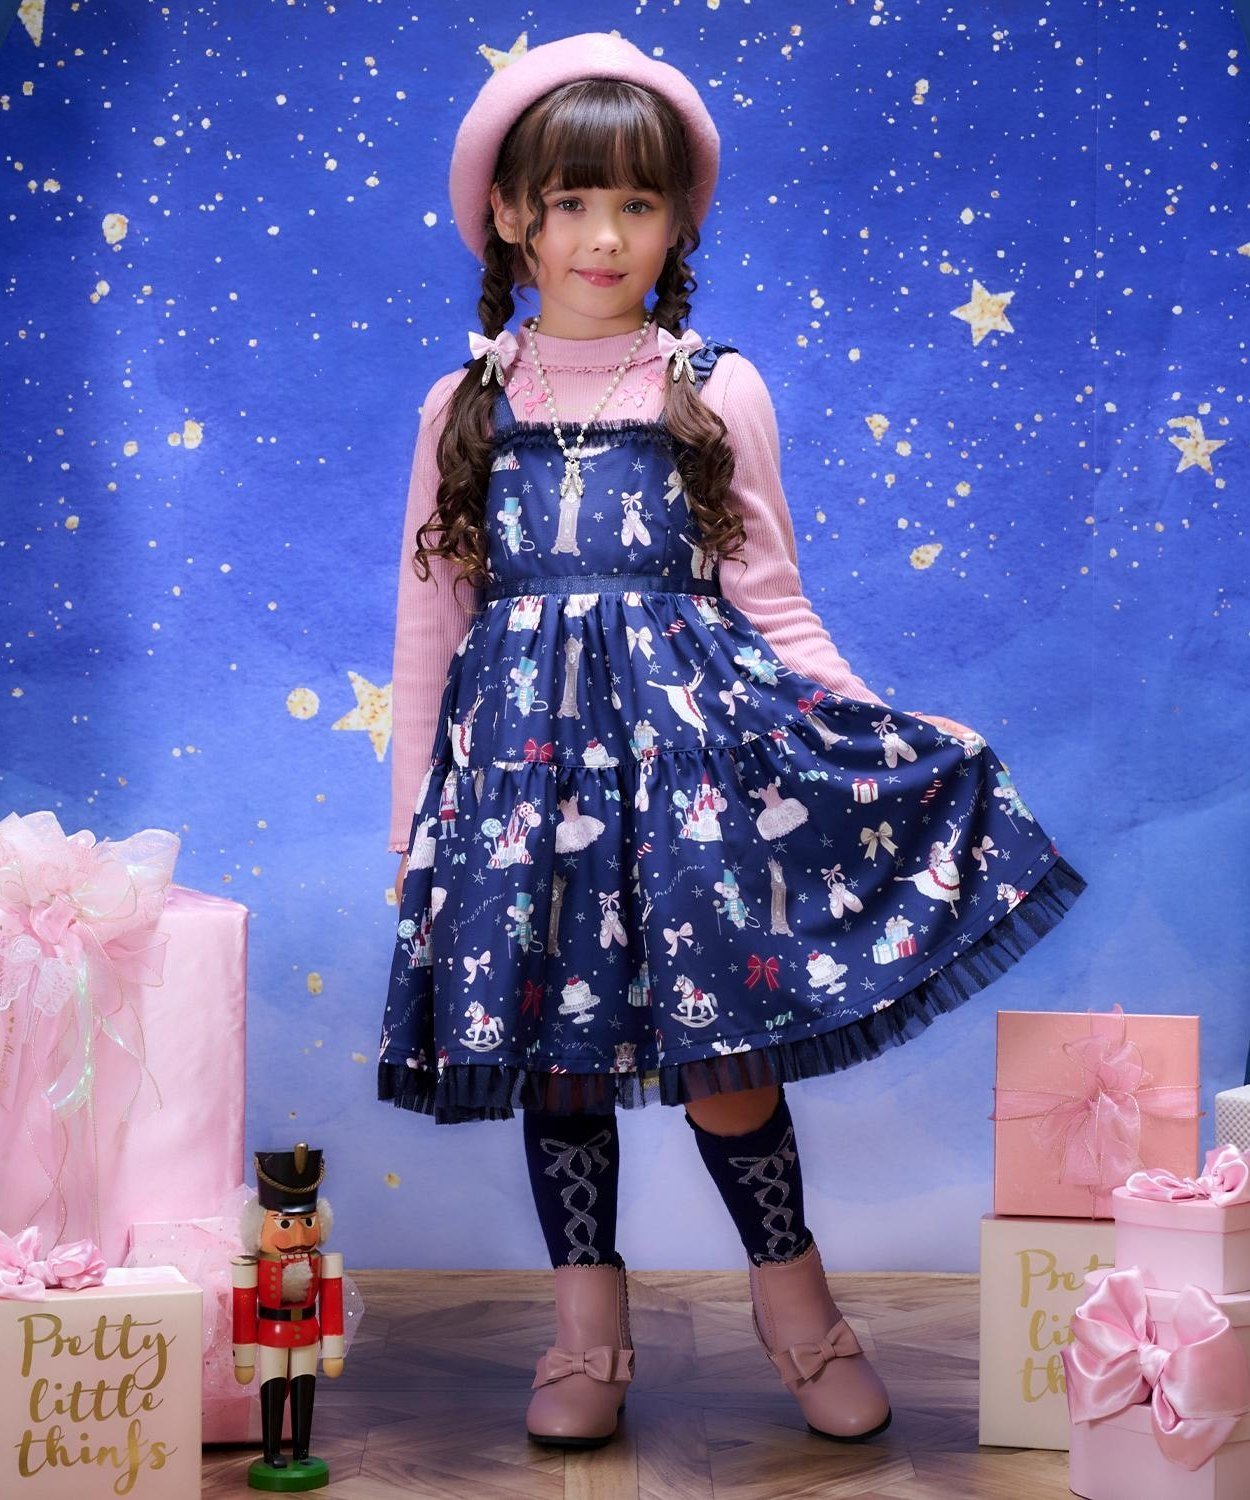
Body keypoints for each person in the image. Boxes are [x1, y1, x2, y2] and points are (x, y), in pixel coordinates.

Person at [376, 31, 1088, 1451]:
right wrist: (413, 830)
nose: (603, 236)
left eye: (636, 204)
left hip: (687, 784)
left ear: (678, 221)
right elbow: (428, 629)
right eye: (571, 202)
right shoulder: (465, 406)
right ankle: (586, 1337)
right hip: (520, 789)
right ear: (510, 214)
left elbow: (773, 601)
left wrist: (872, 723)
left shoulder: (712, 387)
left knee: (725, 1061)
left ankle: (799, 1315)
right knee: (558, 1060)